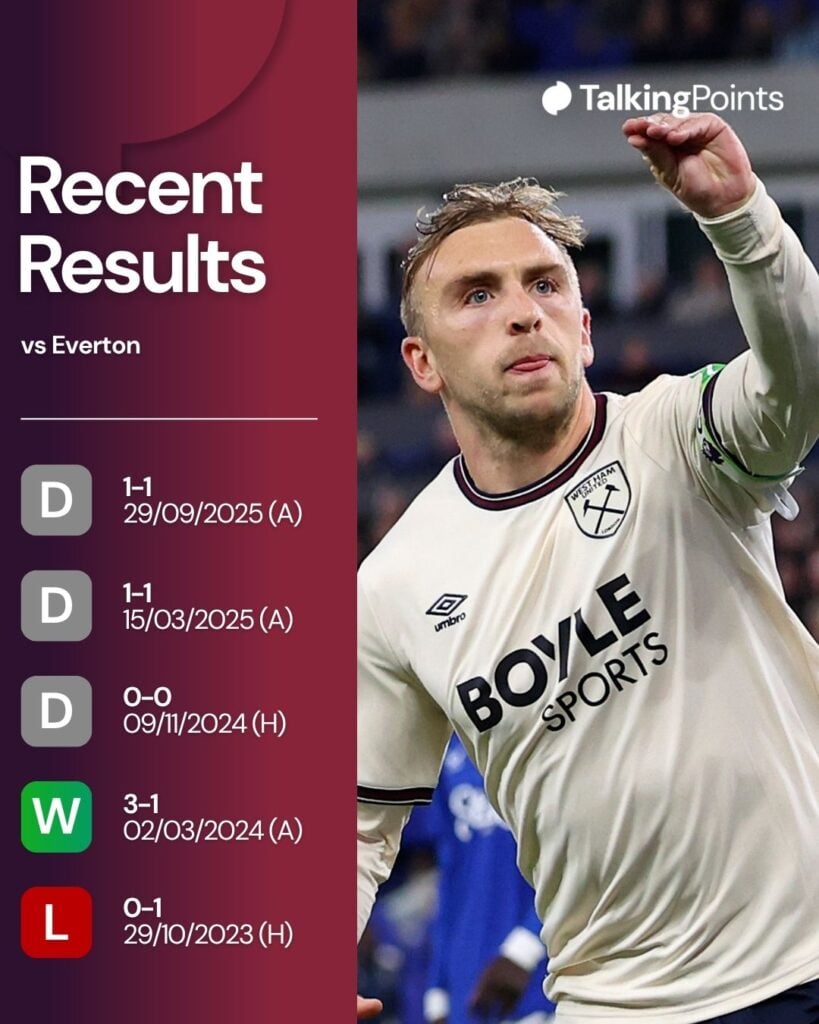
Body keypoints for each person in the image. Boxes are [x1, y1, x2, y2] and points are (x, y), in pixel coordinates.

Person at [357, 113, 819, 1022]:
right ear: (421, 362)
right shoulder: (391, 588)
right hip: (615, 1006)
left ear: (585, 325)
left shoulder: (678, 436)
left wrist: (740, 219)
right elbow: (356, 821)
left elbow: (799, 381)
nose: (522, 309)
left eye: (544, 283)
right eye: (476, 295)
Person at [421, 734, 555, 1024]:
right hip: (468, 980)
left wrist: (526, 948)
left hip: (543, 975)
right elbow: (451, 869)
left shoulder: (556, 719)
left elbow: (587, 854)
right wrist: (438, 986)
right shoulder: (448, 743)